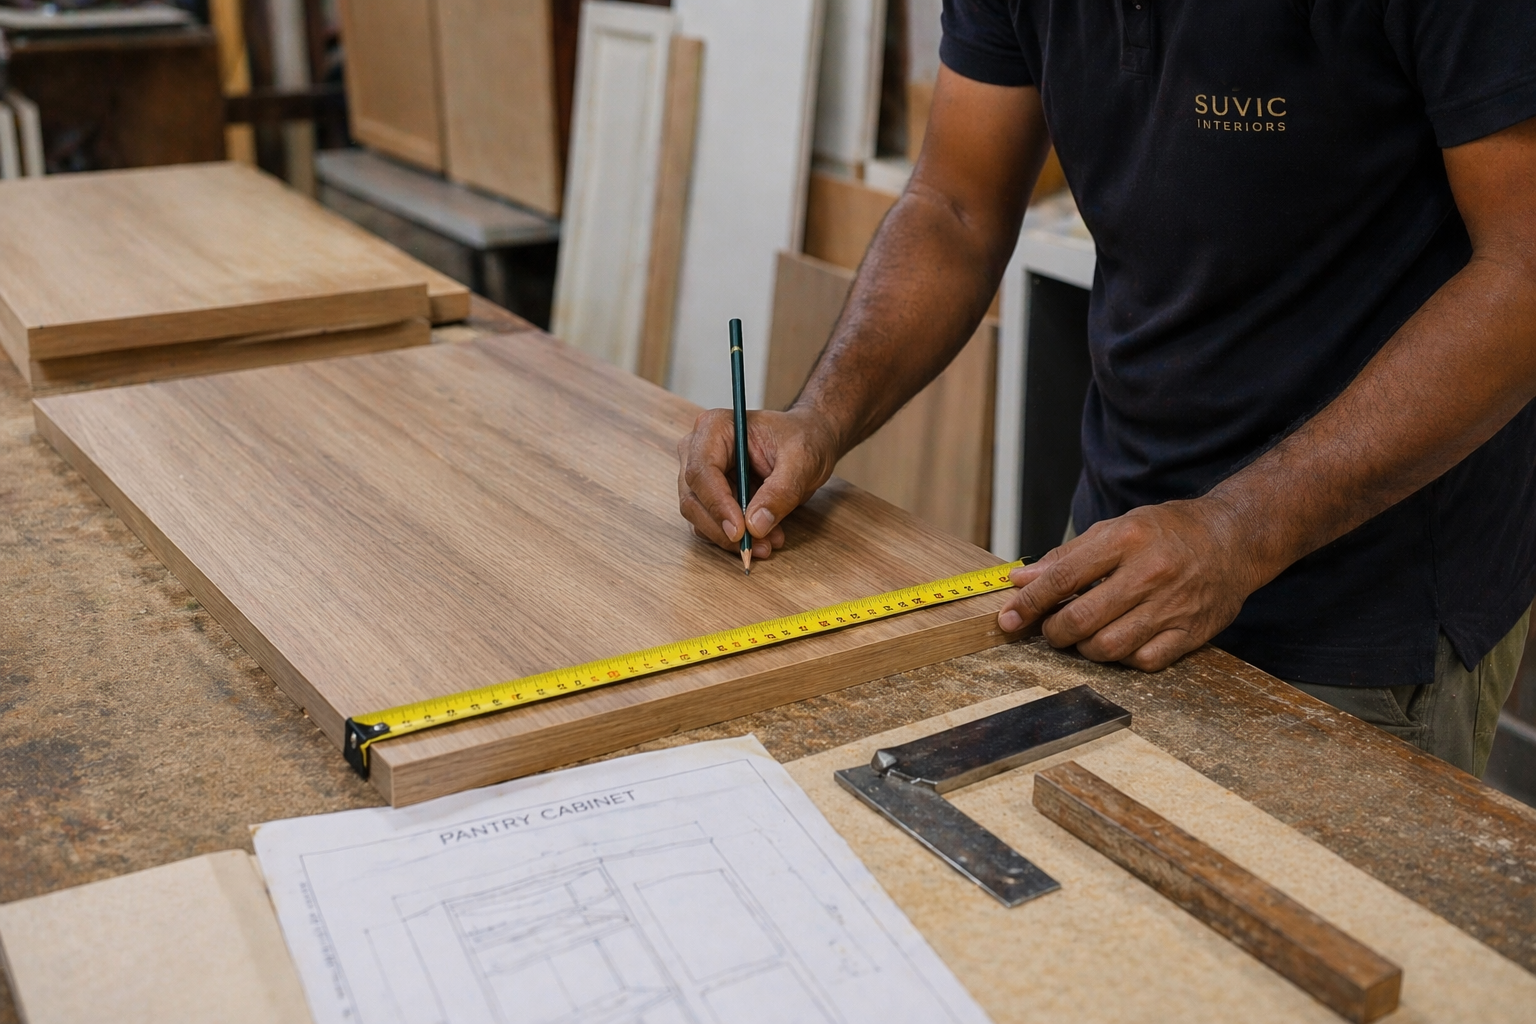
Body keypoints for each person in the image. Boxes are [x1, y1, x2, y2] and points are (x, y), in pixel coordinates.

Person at [676, 0, 1536, 777]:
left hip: (1363, 599)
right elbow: (955, 207)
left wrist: (1237, 530)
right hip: (1116, 545)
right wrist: (818, 418)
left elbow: (1524, 269)